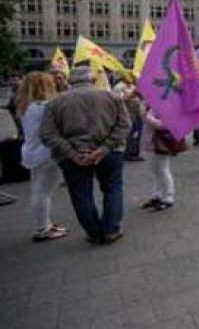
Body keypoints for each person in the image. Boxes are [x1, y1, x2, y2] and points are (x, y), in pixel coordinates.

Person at [39, 66, 131, 244]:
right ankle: (111, 230)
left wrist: (73, 154)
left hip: (72, 156)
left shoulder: (55, 102)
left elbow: (47, 134)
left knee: (81, 194)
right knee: (112, 188)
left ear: (70, 81)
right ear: (92, 79)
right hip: (109, 153)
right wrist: (103, 149)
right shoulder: (111, 96)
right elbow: (124, 126)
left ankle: (94, 232)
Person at [17, 72, 68, 242]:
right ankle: (42, 228)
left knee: (40, 190)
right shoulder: (43, 107)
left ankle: (45, 223)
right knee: (43, 192)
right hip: (46, 153)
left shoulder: (27, 106)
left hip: (32, 151)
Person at [140, 108, 177, 211]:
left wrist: (148, 118)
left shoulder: (167, 106)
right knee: (155, 170)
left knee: (163, 169)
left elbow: (166, 124)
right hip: (151, 143)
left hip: (161, 143)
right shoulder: (151, 106)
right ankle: (157, 195)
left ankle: (168, 197)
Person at [114, 75, 145, 162]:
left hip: (137, 114)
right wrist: (133, 94)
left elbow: (141, 97)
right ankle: (129, 153)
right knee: (131, 134)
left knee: (137, 133)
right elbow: (119, 99)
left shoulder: (132, 85)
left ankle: (135, 152)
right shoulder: (119, 86)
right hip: (128, 114)